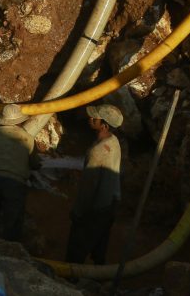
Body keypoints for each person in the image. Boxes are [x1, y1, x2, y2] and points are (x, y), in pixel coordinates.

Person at [67, 103, 124, 264]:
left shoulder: (97, 151)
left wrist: (78, 212)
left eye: (95, 118)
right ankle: (98, 281)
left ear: (104, 126)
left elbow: (88, 188)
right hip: (111, 203)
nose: (90, 118)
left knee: (76, 250)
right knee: (100, 246)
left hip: (96, 208)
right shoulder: (114, 141)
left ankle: (69, 281)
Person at [0, 104, 39, 241]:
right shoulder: (28, 138)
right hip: (15, 183)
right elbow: (34, 163)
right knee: (12, 221)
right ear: (20, 121)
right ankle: (10, 250)